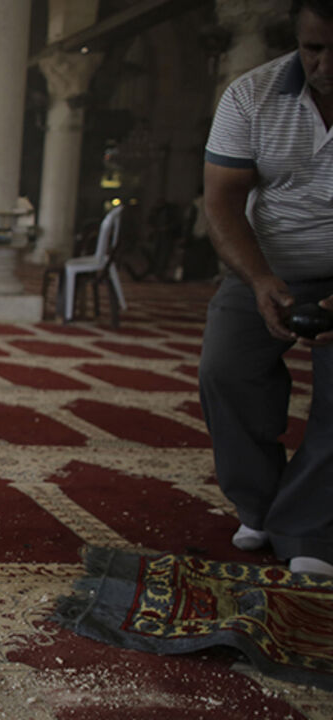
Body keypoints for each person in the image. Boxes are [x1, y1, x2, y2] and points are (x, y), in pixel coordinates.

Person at [199, 0, 333, 577]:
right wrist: (258, 280)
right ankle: (260, 503)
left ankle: (308, 524)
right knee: (225, 369)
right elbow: (223, 200)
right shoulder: (250, 95)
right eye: (313, 49)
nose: (325, 65)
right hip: (265, 264)